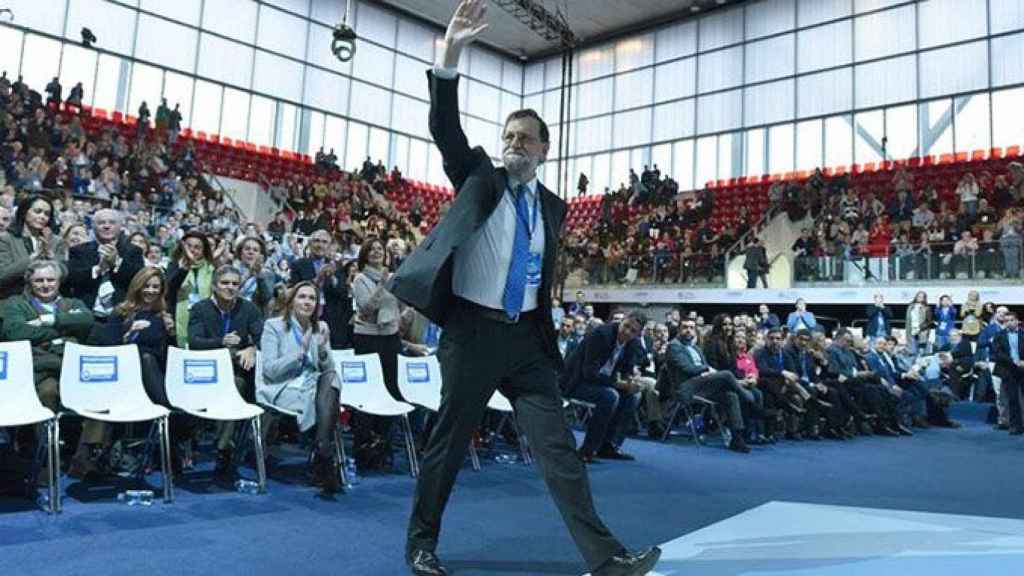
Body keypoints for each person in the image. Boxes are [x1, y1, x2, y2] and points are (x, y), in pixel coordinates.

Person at [388, 3, 660, 575]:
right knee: (447, 446)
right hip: (471, 336)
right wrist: (450, 56)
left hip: (527, 344)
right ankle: (421, 545)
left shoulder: (553, 209)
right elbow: (445, 130)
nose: (513, 142)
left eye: (525, 138)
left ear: (544, 149)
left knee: (559, 451)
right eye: (508, 135)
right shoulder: (480, 177)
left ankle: (606, 559)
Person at [1, 260, 101, 478]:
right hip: (41, 372)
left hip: (71, 370)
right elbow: (15, 332)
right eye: (39, 280)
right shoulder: (15, 304)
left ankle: (82, 458)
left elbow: (86, 321)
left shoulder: (73, 303)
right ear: (29, 282)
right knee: (48, 392)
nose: (45, 285)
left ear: (59, 282)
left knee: (101, 394)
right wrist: (63, 335)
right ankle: (42, 459)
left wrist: (49, 321)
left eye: (50, 280)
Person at [258, 281, 342, 493]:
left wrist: (322, 349)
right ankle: (324, 454)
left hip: (313, 386)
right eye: (302, 297)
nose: (307, 302)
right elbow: (269, 371)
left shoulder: (320, 328)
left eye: (312, 298)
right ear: (292, 300)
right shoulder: (274, 326)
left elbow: (327, 368)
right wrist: (299, 353)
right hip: (282, 387)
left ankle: (322, 447)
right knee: (328, 398)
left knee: (331, 377)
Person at [188, 265, 264, 478]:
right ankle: (221, 446)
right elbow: (194, 343)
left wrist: (252, 348)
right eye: (225, 283)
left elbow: (263, 339)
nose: (230, 288)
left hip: (236, 373)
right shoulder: (200, 309)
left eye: (235, 284)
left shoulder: (249, 309)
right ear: (214, 286)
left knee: (236, 384)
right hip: (204, 373)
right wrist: (221, 343)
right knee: (232, 385)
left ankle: (223, 447)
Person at [562, 313, 645, 463]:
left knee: (634, 396)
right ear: (621, 322)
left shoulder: (632, 343)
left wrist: (632, 382)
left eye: (633, 331)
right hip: (577, 381)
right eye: (626, 326)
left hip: (603, 382)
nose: (627, 332)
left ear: (637, 334)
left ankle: (609, 445)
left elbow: (627, 369)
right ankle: (588, 450)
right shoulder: (601, 334)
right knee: (610, 396)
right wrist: (622, 385)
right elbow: (589, 373)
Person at [664, 318, 755, 453]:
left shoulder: (695, 347)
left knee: (730, 396)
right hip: (686, 388)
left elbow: (703, 368)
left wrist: (708, 370)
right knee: (727, 375)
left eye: (691, 327)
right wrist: (707, 369)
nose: (688, 330)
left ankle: (737, 438)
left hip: (702, 385)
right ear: (679, 329)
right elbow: (688, 369)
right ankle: (748, 398)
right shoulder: (674, 346)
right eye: (685, 327)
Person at [350, 237, 403, 469]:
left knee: (391, 388)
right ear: (364, 254)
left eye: (380, 249)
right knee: (368, 393)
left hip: (390, 337)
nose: (376, 253)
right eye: (371, 250)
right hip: (368, 338)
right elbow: (366, 308)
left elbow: (399, 305)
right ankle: (363, 445)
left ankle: (382, 445)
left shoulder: (393, 278)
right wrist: (382, 285)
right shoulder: (360, 279)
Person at [65, 209, 145, 318]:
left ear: (120, 226)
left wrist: (116, 262)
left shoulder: (134, 251)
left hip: (121, 315)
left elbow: (138, 280)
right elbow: (72, 279)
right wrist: (98, 269)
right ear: (93, 227)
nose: (106, 226)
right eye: (101, 223)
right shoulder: (79, 251)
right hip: (87, 314)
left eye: (112, 222)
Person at [289, 229, 352, 349]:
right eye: (316, 241)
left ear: (329, 246)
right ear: (310, 244)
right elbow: (296, 290)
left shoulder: (337, 267)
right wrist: (318, 278)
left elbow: (343, 293)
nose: (320, 245)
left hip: (330, 317)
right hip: (305, 315)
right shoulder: (298, 265)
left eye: (324, 242)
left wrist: (333, 279)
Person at [0, 195, 63, 299]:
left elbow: (64, 275)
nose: (42, 216)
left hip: (47, 301)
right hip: (13, 298)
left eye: (47, 214)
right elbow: (2, 275)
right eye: (38, 211)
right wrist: (32, 258)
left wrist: (51, 255)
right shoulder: (6, 239)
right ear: (24, 212)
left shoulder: (56, 241)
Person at [166, 230, 215, 348]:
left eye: (197, 247)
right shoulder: (174, 265)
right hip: (177, 317)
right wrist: (185, 268)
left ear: (204, 250)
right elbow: (170, 288)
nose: (193, 250)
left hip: (202, 319)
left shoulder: (210, 268)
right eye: (189, 246)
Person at [992, 312, 1024, 435]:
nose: (1009, 323)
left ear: (1017, 321)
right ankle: (1016, 425)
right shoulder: (999, 335)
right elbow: (997, 352)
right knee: (1012, 399)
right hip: (1008, 369)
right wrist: (1013, 362)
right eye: (1006, 321)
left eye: (1011, 320)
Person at [905, 290, 933, 356]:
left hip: (922, 331)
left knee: (921, 351)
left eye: (922, 297)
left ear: (924, 298)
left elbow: (929, 321)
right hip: (911, 331)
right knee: (912, 351)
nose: (920, 298)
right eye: (919, 296)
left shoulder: (927, 308)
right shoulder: (910, 307)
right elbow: (908, 320)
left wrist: (920, 327)